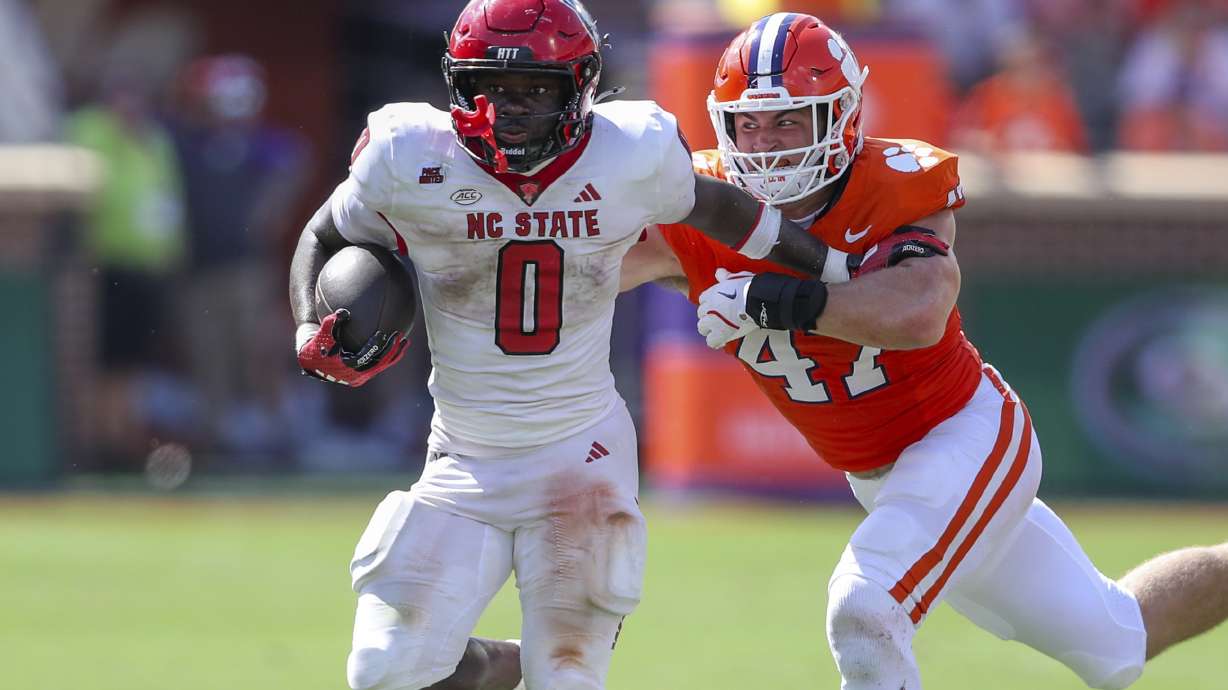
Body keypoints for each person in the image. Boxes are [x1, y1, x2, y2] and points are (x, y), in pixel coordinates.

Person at [621, 13, 1228, 690]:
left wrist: (777, 300)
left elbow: (916, 311)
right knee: (1117, 643)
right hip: (882, 475)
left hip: (965, 434)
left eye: (789, 122)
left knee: (864, 607)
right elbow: (580, 276)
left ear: (843, 118)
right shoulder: (703, 205)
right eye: (749, 124)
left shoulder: (895, 182)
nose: (766, 145)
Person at [287, 2, 847, 689]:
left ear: (579, 86)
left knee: (568, 679)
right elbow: (324, 233)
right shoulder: (407, 156)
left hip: (579, 457)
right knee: (383, 669)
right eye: (491, 86)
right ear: (459, 84)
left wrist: (828, 267)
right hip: (463, 458)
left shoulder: (630, 151)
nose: (509, 110)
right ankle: (498, 666)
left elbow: (719, 207)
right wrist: (306, 327)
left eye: (535, 91)